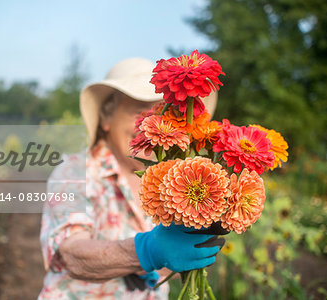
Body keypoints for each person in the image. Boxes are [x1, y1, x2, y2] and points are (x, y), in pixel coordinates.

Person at [39, 58, 223, 299]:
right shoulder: (74, 171)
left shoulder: (177, 181)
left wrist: (189, 250)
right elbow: (73, 254)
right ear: (106, 119)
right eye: (138, 112)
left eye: (160, 113)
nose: (149, 125)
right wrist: (145, 252)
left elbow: (171, 258)